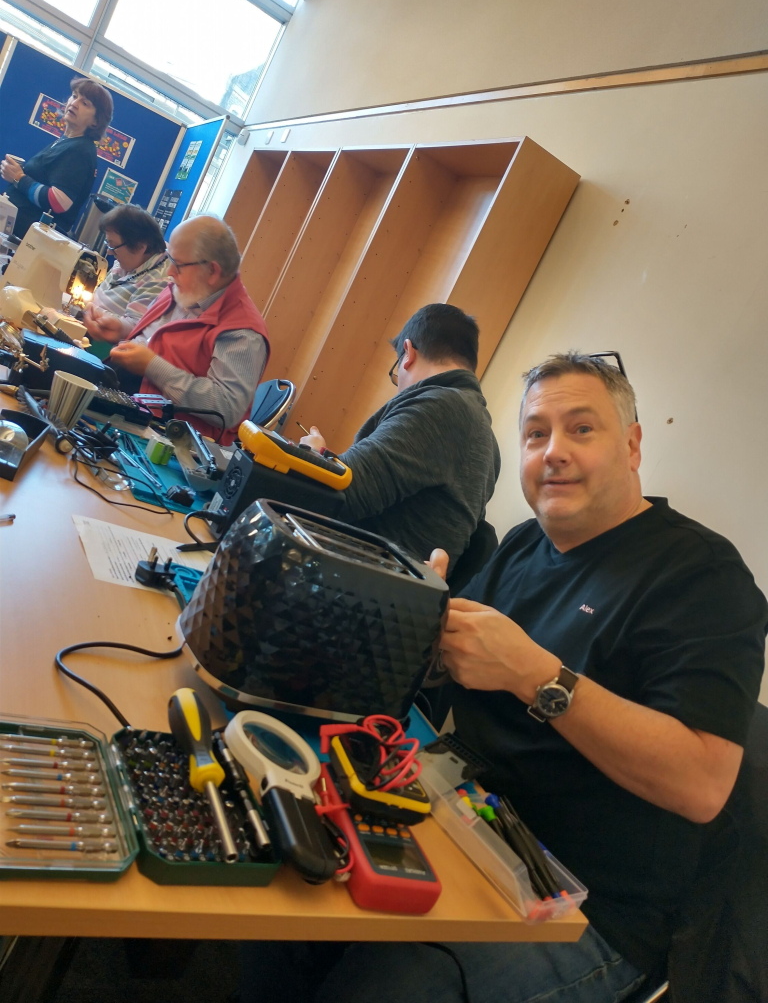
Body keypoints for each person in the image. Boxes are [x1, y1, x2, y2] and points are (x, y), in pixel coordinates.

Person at [239, 352, 768, 1003]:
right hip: (468, 816)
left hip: (588, 912)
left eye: (581, 429)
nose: (553, 452)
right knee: (291, 888)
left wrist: (537, 676)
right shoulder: (526, 545)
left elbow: (702, 783)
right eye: (536, 433)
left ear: (632, 445)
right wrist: (414, 613)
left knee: (380, 989)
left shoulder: (701, 576)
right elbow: (450, 665)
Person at [299, 303, 500, 575]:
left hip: (348, 583)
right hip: (388, 589)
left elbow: (334, 495)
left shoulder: (442, 408)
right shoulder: (482, 432)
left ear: (407, 353)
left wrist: (313, 456)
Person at [85, 215, 269, 444]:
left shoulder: (242, 333)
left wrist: (152, 366)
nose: (170, 271)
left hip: (162, 439)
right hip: (123, 402)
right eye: (170, 258)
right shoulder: (184, 287)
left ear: (212, 271)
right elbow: (152, 338)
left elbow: (226, 408)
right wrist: (121, 330)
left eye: (178, 264)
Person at [0, 78, 113, 238]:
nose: (74, 103)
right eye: (74, 96)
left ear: (96, 122)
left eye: (85, 103)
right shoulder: (68, 141)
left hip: (26, 240)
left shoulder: (80, 150)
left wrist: (18, 178)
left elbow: (58, 202)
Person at [82, 205, 171, 343]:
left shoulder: (160, 280)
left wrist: (89, 309)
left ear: (141, 247)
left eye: (113, 246)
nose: (109, 252)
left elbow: (133, 328)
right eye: (108, 243)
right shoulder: (130, 259)